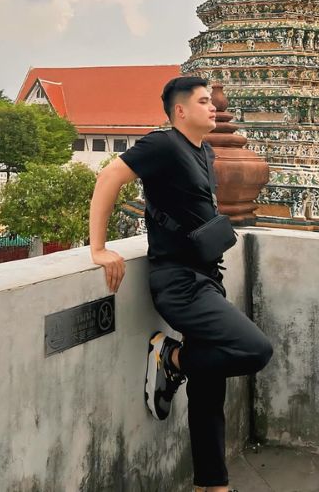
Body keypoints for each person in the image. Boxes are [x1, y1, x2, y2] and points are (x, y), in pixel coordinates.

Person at [90, 76, 273, 492]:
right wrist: (98, 249)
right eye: (204, 101)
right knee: (254, 350)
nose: (214, 107)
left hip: (207, 276)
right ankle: (171, 359)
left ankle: (213, 485)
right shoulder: (163, 144)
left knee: (210, 396)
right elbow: (108, 179)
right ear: (180, 111)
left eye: (213, 101)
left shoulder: (204, 152)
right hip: (178, 283)